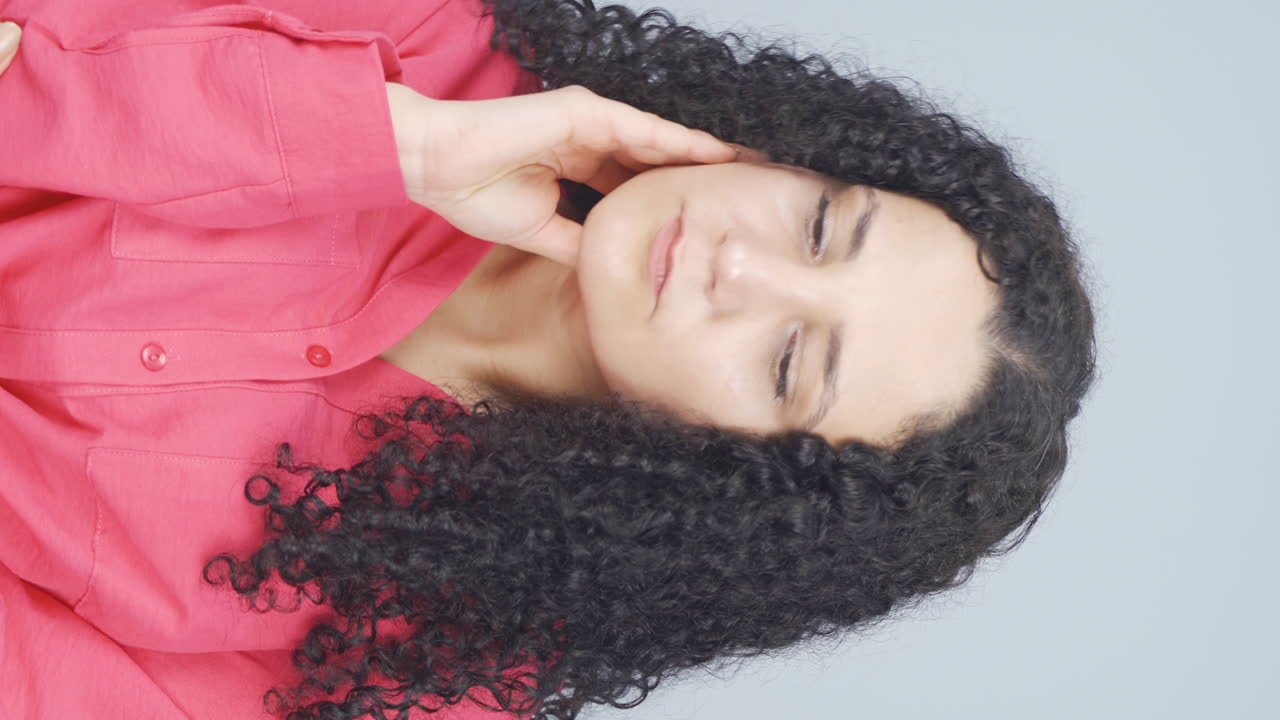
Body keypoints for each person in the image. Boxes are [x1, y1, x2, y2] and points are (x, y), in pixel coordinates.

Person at [0, 0, 1097, 719]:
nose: (739, 269)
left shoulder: (432, 659)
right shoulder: (418, 33)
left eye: (787, 363)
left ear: (749, 485)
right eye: (818, 225)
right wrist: (388, 140)